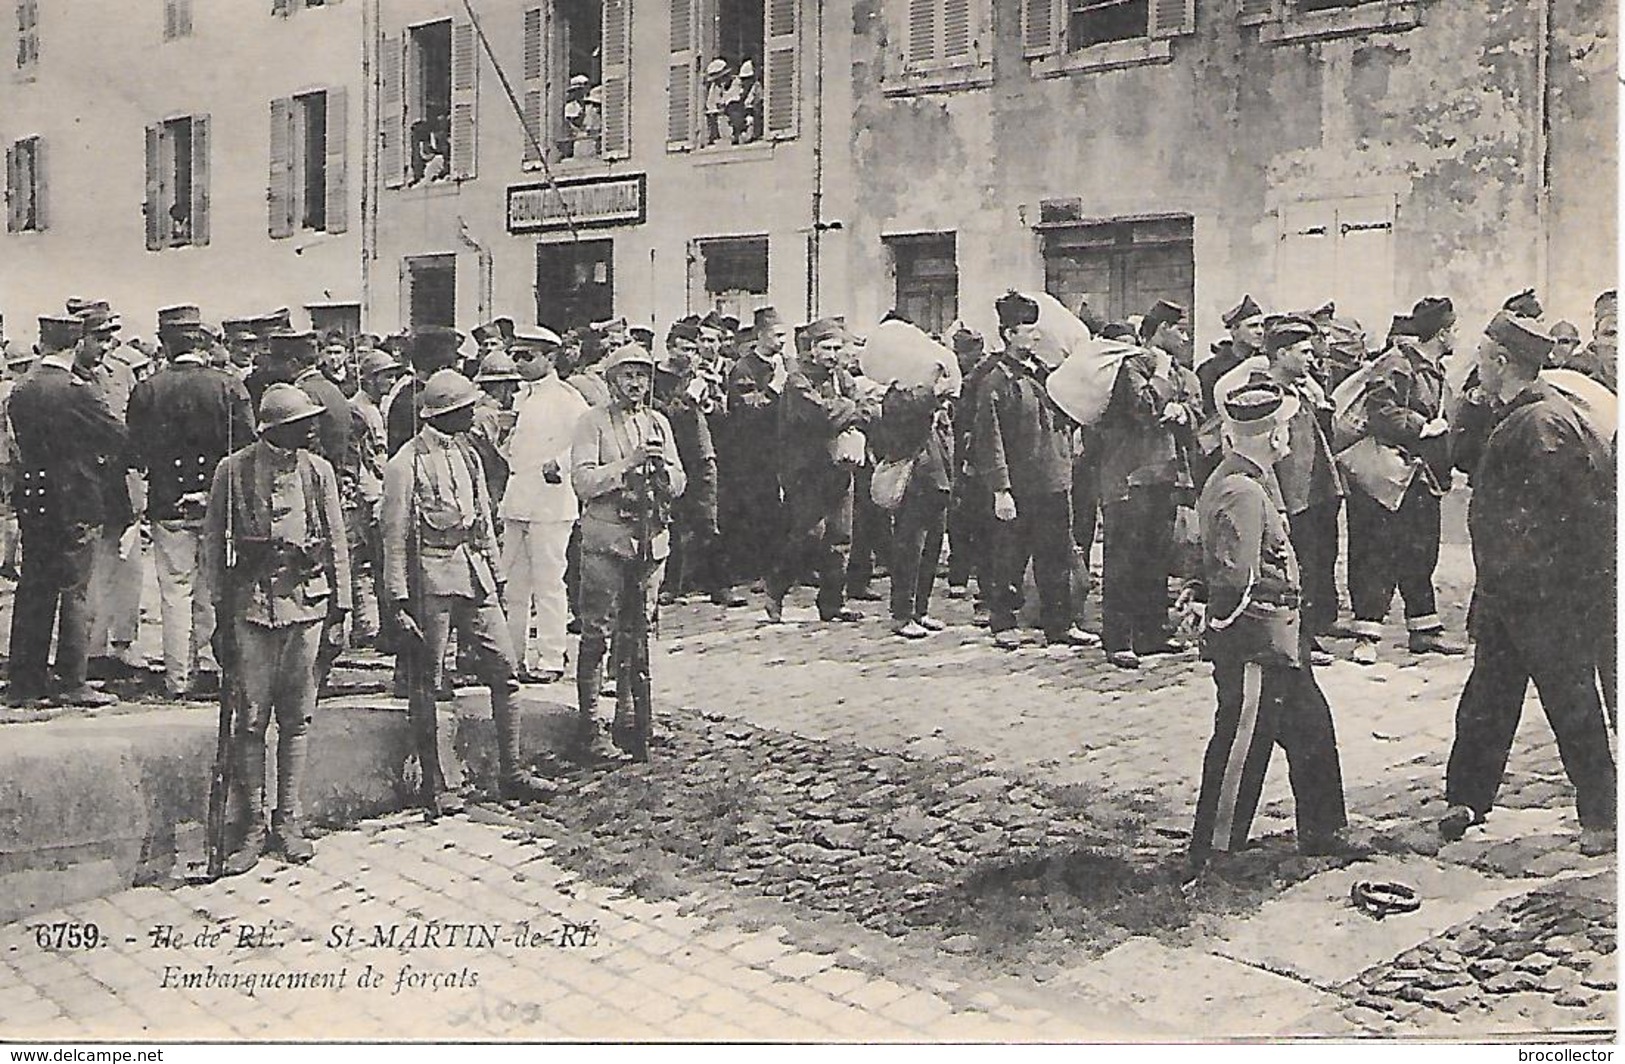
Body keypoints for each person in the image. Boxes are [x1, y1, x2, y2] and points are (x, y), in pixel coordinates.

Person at [1439, 313, 1616, 856]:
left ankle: (1603, 817)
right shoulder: (1514, 411)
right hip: (1506, 591)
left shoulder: (1541, 423)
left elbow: (1559, 516)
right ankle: (1466, 798)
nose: (1476, 367)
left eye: (1483, 358)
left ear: (1501, 363)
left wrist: (1527, 583)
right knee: (1488, 696)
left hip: (1542, 593)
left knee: (1570, 699)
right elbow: (1463, 459)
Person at [1184, 381, 1362, 871]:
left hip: (1281, 635)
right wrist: (1221, 622)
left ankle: (1324, 830)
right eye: (1283, 426)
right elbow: (1234, 574)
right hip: (1256, 639)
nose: (1288, 434)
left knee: (1311, 728)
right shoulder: (1242, 488)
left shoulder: (1244, 477)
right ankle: (1215, 849)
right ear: (1271, 433)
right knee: (1243, 738)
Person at [382, 370, 553, 809]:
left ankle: (511, 771)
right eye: (467, 409)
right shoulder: (405, 464)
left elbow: (483, 523)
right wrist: (398, 601)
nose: (474, 414)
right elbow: (394, 537)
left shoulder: (469, 454)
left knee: (505, 669)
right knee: (429, 682)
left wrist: (496, 575)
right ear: (446, 413)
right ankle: (435, 784)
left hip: (473, 574)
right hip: (430, 582)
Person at [204, 384, 350, 874]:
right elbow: (212, 550)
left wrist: (342, 609)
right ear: (273, 428)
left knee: (298, 719)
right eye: (300, 423)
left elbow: (337, 541)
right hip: (251, 611)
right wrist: (218, 615)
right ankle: (251, 828)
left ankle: (288, 820)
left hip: (307, 609)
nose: (310, 428)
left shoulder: (318, 471)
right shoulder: (233, 471)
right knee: (250, 722)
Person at [126, 305, 254, 698]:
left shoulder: (148, 388)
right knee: (215, 588)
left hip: (168, 504)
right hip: (219, 502)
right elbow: (247, 445)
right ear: (203, 342)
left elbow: (134, 451)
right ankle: (215, 669)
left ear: (165, 345)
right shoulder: (229, 386)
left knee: (174, 592)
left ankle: (178, 677)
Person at [6, 312, 128, 708]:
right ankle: (73, 679)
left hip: (35, 496)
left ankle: (25, 679)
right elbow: (117, 437)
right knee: (75, 589)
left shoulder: (22, 390)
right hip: (76, 498)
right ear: (76, 344)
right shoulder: (79, 391)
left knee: (33, 585)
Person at [571, 344, 686, 758]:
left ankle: (633, 718)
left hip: (648, 542)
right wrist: (627, 465)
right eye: (627, 375)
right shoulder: (592, 423)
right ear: (611, 380)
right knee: (597, 633)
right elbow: (582, 482)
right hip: (607, 541)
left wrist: (663, 474)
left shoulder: (658, 422)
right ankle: (590, 726)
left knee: (638, 633)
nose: (636, 384)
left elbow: (679, 479)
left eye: (642, 376)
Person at [1214, 317, 1346, 665]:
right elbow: (1261, 456)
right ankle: (1298, 639)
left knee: (1317, 564)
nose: (1311, 358)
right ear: (1282, 353)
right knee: (1293, 569)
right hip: (1288, 497)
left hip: (1315, 492)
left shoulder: (1304, 387)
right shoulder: (1263, 395)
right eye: (1303, 352)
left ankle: (1311, 632)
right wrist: (1278, 504)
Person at [1345, 297, 1464, 664]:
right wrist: (1423, 426)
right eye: (1454, 329)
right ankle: (1366, 634)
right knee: (1375, 553)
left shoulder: (1433, 368)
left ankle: (1424, 629)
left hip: (1420, 476)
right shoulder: (1397, 364)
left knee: (1420, 550)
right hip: (1387, 476)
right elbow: (1380, 411)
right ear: (1442, 333)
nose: (1457, 336)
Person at [974, 292, 1093, 651]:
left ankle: (1060, 624)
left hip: (1054, 481)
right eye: (1028, 330)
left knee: (1056, 556)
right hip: (1019, 487)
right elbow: (989, 439)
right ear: (1009, 334)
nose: (1036, 337)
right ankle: (1003, 622)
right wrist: (1000, 490)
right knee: (1010, 556)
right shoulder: (995, 381)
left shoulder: (1043, 374)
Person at [1096, 299, 1201, 668]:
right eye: (1179, 330)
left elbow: (1198, 411)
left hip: (1165, 476)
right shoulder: (1132, 365)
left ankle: (1152, 633)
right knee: (1124, 559)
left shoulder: (1183, 373)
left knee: (1156, 558)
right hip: (1129, 477)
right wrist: (1160, 377)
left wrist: (1182, 412)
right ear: (1160, 331)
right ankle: (1118, 638)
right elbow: (1142, 407)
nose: (1186, 338)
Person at [765, 318, 874, 624]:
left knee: (841, 535)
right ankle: (776, 588)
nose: (831, 354)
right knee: (809, 535)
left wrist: (851, 411)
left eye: (837, 348)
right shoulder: (797, 381)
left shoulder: (841, 377)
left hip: (838, 466)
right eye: (825, 348)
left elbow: (868, 406)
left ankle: (832, 603)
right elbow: (821, 414)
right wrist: (850, 410)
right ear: (812, 350)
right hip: (805, 469)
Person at [502, 330, 587, 685]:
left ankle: (551, 657)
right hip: (519, 499)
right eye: (516, 356)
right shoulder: (520, 397)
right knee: (512, 585)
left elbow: (584, 443)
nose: (520, 363)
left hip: (551, 503)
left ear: (551, 358)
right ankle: (511, 656)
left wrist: (561, 463)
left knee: (549, 583)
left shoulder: (568, 399)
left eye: (528, 356)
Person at [875, 369, 954, 638]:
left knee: (931, 549)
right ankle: (902, 614)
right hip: (915, 483)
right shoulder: (897, 397)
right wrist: (933, 396)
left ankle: (920, 610)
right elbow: (905, 430)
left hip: (936, 482)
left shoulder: (924, 399)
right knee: (910, 549)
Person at [723, 307, 789, 589]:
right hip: (754, 453)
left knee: (784, 510)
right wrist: (774, 387)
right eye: (777, 335)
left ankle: (786, 567)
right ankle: (760, 571)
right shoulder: (744, 368)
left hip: (784, 448)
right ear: (761, 335)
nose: (782, 341)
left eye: (784, 335)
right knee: (761, 512)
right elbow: (747, 409)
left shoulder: (788, 363)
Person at [945, 325, 994, 605]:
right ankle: (958, 576)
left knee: (977, 518)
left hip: (974, 453)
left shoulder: (981, 374)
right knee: (960, 520)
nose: (976, 356)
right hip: (957, 455)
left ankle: (974, 577)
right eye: (971, 351)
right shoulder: (956, 374)